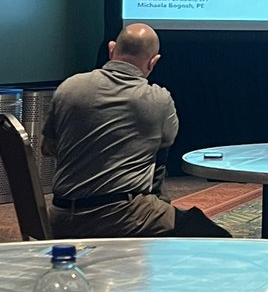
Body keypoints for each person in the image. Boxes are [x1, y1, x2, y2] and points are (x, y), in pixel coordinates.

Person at [43, 23, 231, 239]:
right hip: (124, 217)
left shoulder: (68, 87)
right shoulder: (158, 99)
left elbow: (48, 148)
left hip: (61, 218)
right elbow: (164, 145)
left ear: (112, 49)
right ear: (153, 62)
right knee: (217, 238)